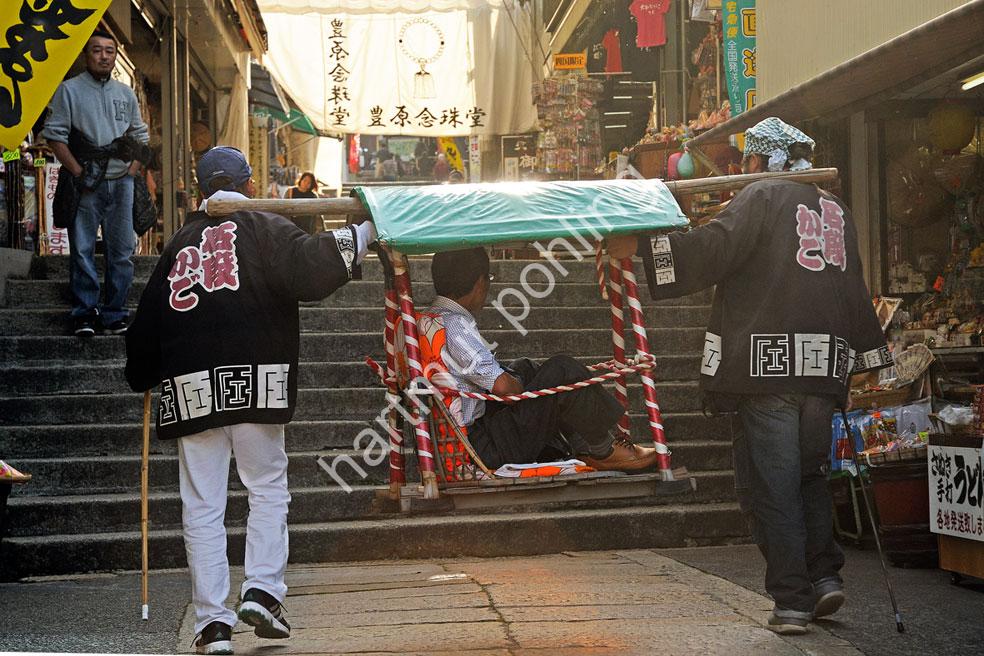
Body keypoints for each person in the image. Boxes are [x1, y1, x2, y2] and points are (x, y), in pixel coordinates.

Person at [610, 117, 891, 635]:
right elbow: (854, 288)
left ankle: (792, 600)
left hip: (769, 367)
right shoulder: (837, 211)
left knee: (772, 485)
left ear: (761, 162)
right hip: (824, 366)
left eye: (748, 162)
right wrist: (867, 357)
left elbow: (713, 248)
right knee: (808, 477)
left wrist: (647, 248)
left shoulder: (761, 197)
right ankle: (824, 576)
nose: (744, 170)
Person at [124, 146, 376, 655]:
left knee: (202, 505)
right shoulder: (266, 227)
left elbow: (145, 332)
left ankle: (213, 623)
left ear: (199, 190)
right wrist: (367, 230)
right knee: (265, 486)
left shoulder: (178, 245)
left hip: (191, 388)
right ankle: (262, 590)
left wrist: (143, 371)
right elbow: (313, 265)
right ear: (249, 182)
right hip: (256, 378)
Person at [421, 247, 659, 473]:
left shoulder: (430, 319)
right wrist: (533, 392)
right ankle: (602, 448)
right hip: (482, 446)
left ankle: (585, 443)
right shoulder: (455, 326)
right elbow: (503, 387)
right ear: (480, 282)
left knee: (525, 368)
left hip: (467, 431)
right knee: (562, 370)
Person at [43, 29, 150, 337]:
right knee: (82, 248)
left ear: (115, 56)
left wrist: (131, 172)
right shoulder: (69, 90)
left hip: (121, 183)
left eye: (109, 51)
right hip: (85, 182)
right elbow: (54, 135)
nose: (104, 56)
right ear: (86, 55)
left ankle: (115, 312)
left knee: (122, 251)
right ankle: (84, 313)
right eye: (97, 50)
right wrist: (78, 172)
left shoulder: (126, 93)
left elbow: (141, 137)